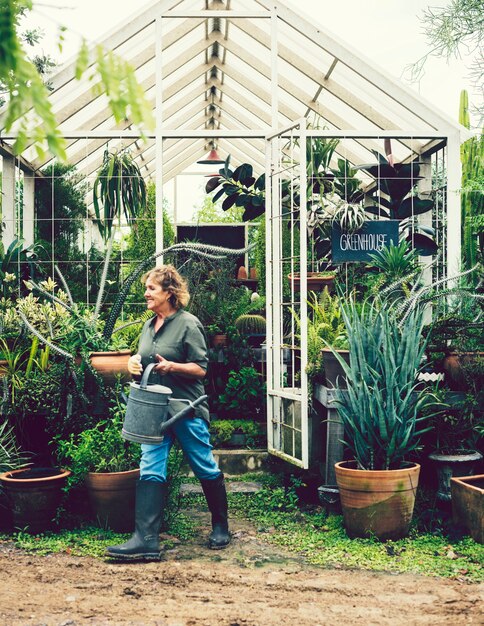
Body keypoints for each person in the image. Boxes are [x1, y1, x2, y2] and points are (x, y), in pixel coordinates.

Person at [107, 264, 230, 560]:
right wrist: (132, 364)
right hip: (154, 412)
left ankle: (221, 526)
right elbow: (142, 359)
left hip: (185, 409)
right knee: (150, 466)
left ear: (169, 293)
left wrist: (172, 366)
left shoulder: (189, 324)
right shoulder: (148, 326)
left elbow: (201, 369)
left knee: (203, 465)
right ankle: (146, 539)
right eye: (146, 288)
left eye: (151, 288)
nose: (146, 293)